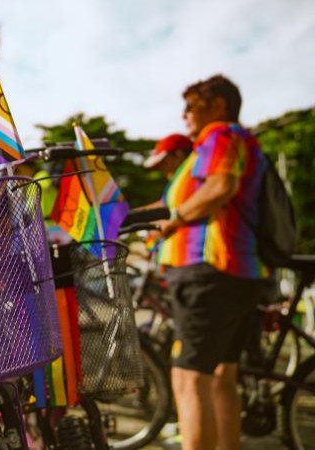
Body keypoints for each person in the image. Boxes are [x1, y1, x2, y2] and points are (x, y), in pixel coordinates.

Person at [154, 74, 271, 450]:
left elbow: (221, 187)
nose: (184, 113)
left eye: (191, 105)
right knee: (222, 376)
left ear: (218, 104)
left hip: (210, 272)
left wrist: (174, 220)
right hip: (239, 272)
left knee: (190, 380)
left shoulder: (220, 135)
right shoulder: (236, 140)